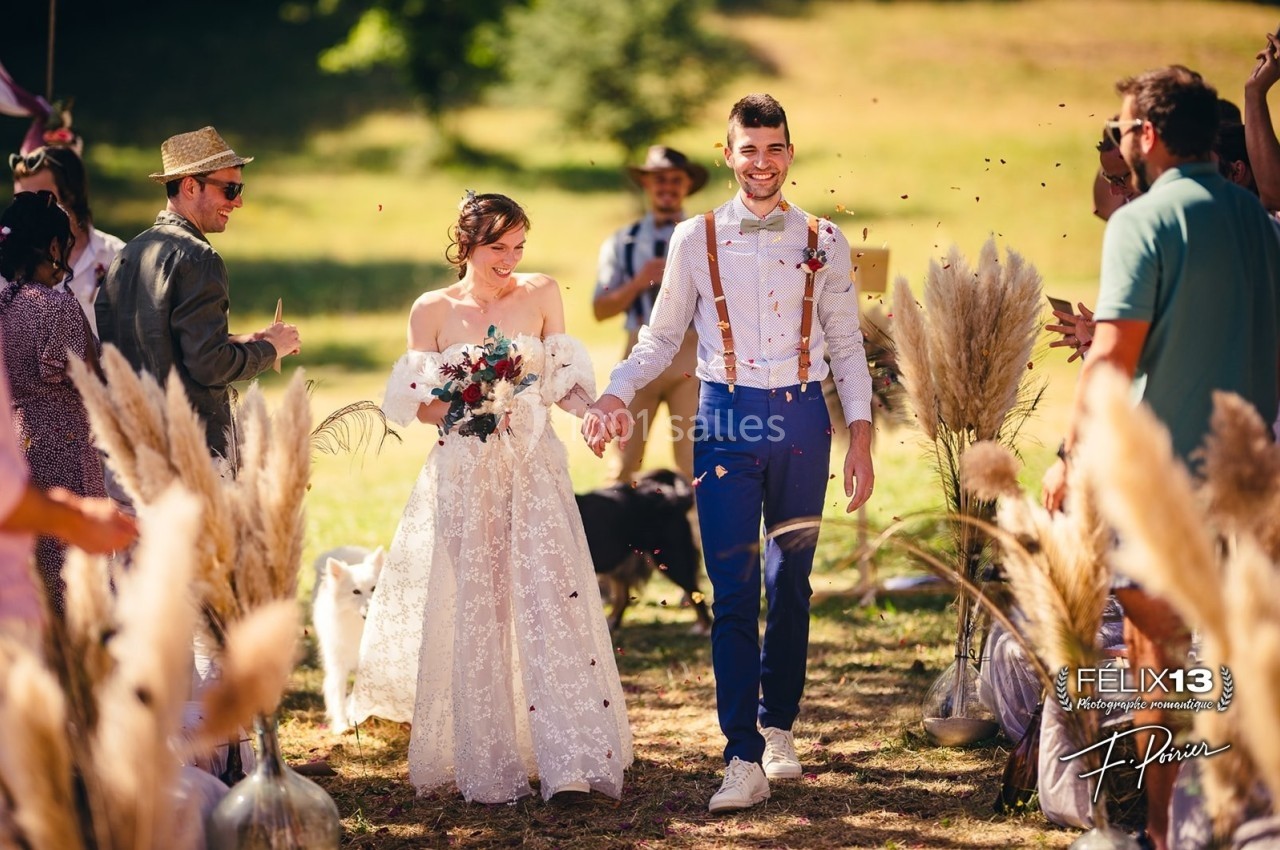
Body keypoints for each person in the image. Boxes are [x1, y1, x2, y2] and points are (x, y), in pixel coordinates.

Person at [583, 94, 875, 814]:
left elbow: (845, 342)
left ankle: (779, 727)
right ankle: (741, 752)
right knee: (736, 587)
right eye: (749, 149)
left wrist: (862, 433)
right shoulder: (694, 238)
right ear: (727, 155)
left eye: (774, 147)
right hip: (725, 423)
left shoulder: (825, 239)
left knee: (793, 582)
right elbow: (657, 337)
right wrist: (618, 392)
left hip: (805, 422)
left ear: (790, 153)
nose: (762, 162)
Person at [1041, 66, 1280, 850]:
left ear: (1147, 135)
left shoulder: (1139, 224)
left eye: (1123, 128)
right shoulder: (1255, 215)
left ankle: (1156, 829)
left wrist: (1070, 459)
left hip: (1165, 482)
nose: (1121, 142)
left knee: (1157, 660)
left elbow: (1111, 358)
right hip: (1251, 481)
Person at [348, 192, 632, 804]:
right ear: (467, 245)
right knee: (482, 604)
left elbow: (562, 383)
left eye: (518, 247)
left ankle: (569, 763)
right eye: (497, 248)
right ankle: (491, 762)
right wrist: (474, 400)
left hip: (534, 469)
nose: (510, 259)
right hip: (465, 470)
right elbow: (420, 404)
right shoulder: (432, 309)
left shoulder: (543, 292)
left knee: (548, 595)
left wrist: (594, 414)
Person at [95, 127, 300, 460]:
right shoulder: (200, 258)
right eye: (230, 189)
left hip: (130, 447)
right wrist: (270, 349)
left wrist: (241, 340)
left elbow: (154, 342)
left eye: (240, 188)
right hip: (190, 451)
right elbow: (208, 365)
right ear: (190, 185)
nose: (238, 201)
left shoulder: (128, 254)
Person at [0, 190, 108, 614]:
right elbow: (92, 381)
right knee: (76, 586)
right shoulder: (56, 307)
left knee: (35, 582)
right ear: (52, 247)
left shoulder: (4, 305)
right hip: (64, 451)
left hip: (17, 452)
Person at [593, 145, 706, 481]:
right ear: (646, 184)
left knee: (694, 461)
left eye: (675, 179)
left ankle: (696, 534)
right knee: (625, 457)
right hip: (638, 351)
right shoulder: (622, 242)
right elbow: (600, 309)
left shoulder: (704, 236)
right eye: (658, 180)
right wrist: (640, 282)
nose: (666, 186)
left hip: (693, 354)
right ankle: (621, 532)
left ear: (687, 185)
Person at [11, 144, 124, 337]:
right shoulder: (8, 267)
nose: (27, 213)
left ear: (71, 194)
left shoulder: (118, 257)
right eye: (20, 201)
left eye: (40, 199)